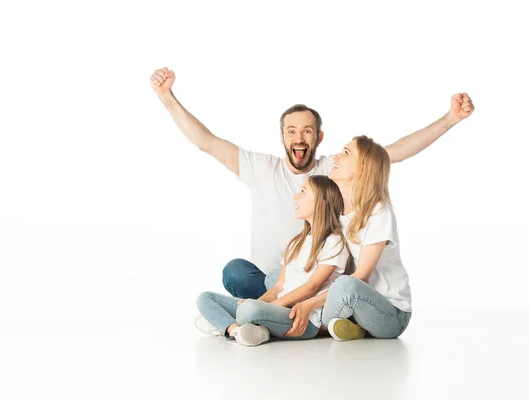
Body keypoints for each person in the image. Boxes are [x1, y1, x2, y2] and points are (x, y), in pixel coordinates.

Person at [150, 67, 475, 299]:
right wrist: (168, 98)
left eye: (307, 130)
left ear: (318, 137)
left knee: (320, 285)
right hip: (273, 281)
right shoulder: (261, 168)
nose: (299, 137)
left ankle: (285, 313)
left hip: (321, 280)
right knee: (236, 272)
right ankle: (279, 309)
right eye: (291, 130)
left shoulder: (333, 171)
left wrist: (450, 119)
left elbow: (394, 153)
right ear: (282, 137)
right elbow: (206, 141)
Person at [195, 175, 350, 346]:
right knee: (205, 298)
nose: (295, 196)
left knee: (249, 310)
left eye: (303, 192)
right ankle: (236, 331)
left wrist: (267, 307)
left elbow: (311, 287)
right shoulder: (296, 242)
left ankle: (223, 325)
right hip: (277, 309)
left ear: (321, 201)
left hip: (302, 318)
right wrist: (259, 302)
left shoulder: (333, 242)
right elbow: (278, 286)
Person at [286, 136, 412, 341]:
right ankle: (345, 325)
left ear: (364, 167)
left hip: (390, 312)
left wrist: (309, 303)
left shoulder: (378, 211)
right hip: (347, 299)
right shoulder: (337, 211)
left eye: (346, 153)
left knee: (346, 285)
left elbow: (360, 276)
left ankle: (304, 324)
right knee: (280, 276)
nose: (336, 156)